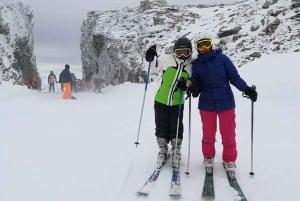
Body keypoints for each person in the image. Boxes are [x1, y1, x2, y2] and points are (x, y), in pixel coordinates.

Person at [191, 35, 257, 173]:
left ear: (211, 44)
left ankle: (229, 159)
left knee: (228, 133)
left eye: (206, 44)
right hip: (206, 104)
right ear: (197, 48)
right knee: (208, 133)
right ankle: (208, 157)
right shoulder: (196, 65)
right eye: (200, 45)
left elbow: (234, 77)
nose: (204, 48)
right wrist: (194, 89)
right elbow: (195, 83)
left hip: (226, 102)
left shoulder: (222, 59)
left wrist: (246, 89)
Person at [146, 37, 193, 170]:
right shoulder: (167, 59)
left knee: (176, 126)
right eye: (179, 52)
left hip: (177, 102)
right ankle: (163, 150)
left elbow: (192, 83)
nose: (182, 55)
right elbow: (154, 67)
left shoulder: (190, 67)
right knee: (161, 125)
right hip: (161, 100)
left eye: (185, 52)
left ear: (190, 52)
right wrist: (150, 57)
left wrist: (187, 85)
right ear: (174, 52)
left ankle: (176, 151)